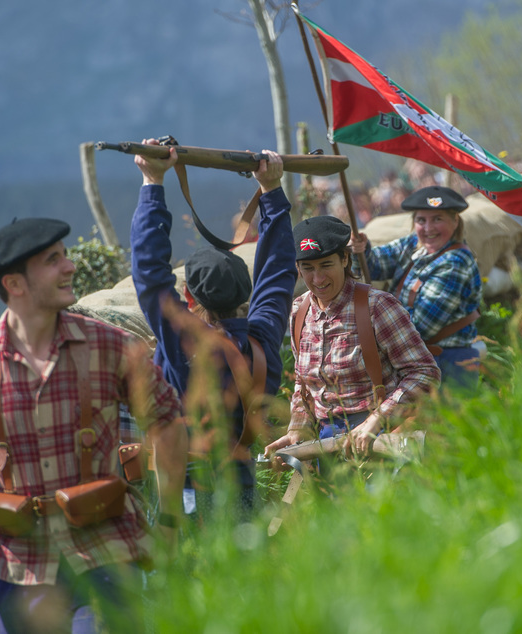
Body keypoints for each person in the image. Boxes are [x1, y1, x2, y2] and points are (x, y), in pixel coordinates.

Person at [0, 217, 188, 634]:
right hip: (18, 564)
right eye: (52, 260)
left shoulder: (111, 346)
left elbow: (168, 423)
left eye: (64, 255)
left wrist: (169, 519)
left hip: (109, 551)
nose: (70, 266)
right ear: (15, 284)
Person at [130, 138, 296, 519]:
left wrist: (152, 184)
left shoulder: (184, 343)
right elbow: (279, 272)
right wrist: (271, 191)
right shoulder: (263, 337)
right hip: (242, 488)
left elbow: (150, 277)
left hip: (183, 492)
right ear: (246, 292)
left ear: (189, 297)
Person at [265, 215, 441, 460]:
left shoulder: (376, 306)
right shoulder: (298, 311)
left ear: (345, 259)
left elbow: (424, 372)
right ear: (298, 268)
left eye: (326, 265)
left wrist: (376, 420)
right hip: (325, 444)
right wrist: (298, 426)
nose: (317, 279)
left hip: (381, 439)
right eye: (308, 268)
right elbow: (302, 384)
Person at [351, 186, 483, 390]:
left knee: (449, 422)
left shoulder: (456, 263)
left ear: (455, 221)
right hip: (417, 359)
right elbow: (376, 264)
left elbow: (422, 326)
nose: (428, 228)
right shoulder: (413, 243)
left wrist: (372, 333)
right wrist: (361, 251)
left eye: (437, 219)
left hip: (448, 365)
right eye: (421, 220)